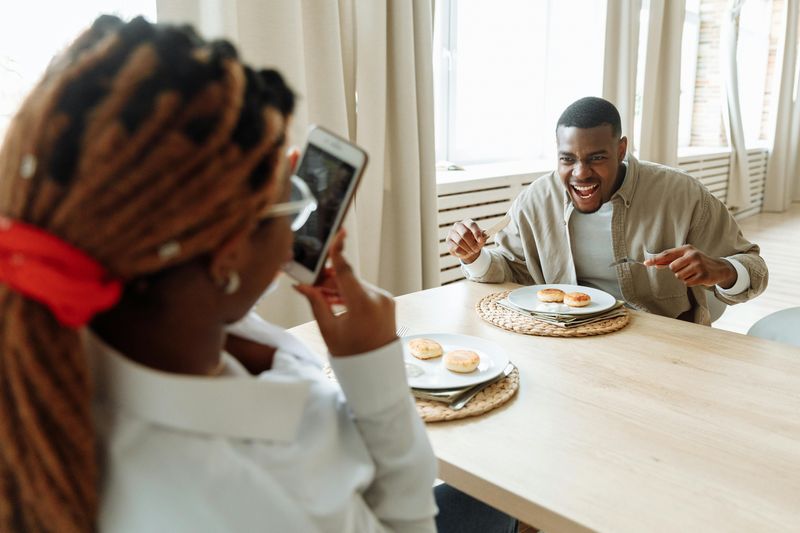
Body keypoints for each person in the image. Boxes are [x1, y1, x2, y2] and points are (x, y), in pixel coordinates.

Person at [0, 16, 517, 532]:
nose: (300, 201)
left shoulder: (130, 326)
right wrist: (374, 374)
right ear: (224, 255)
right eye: (287, 195)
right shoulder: (240, 503)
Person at [447, 97, 767, 324]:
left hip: (660, 345)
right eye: (567, 159)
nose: (580, 173)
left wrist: (723, 270)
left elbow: (754, 267)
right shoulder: (536, 200)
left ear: (621, 149)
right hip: (565, 341)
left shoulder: (682, 194)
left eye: (597, 158)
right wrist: (475, 257)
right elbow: (513, 271)